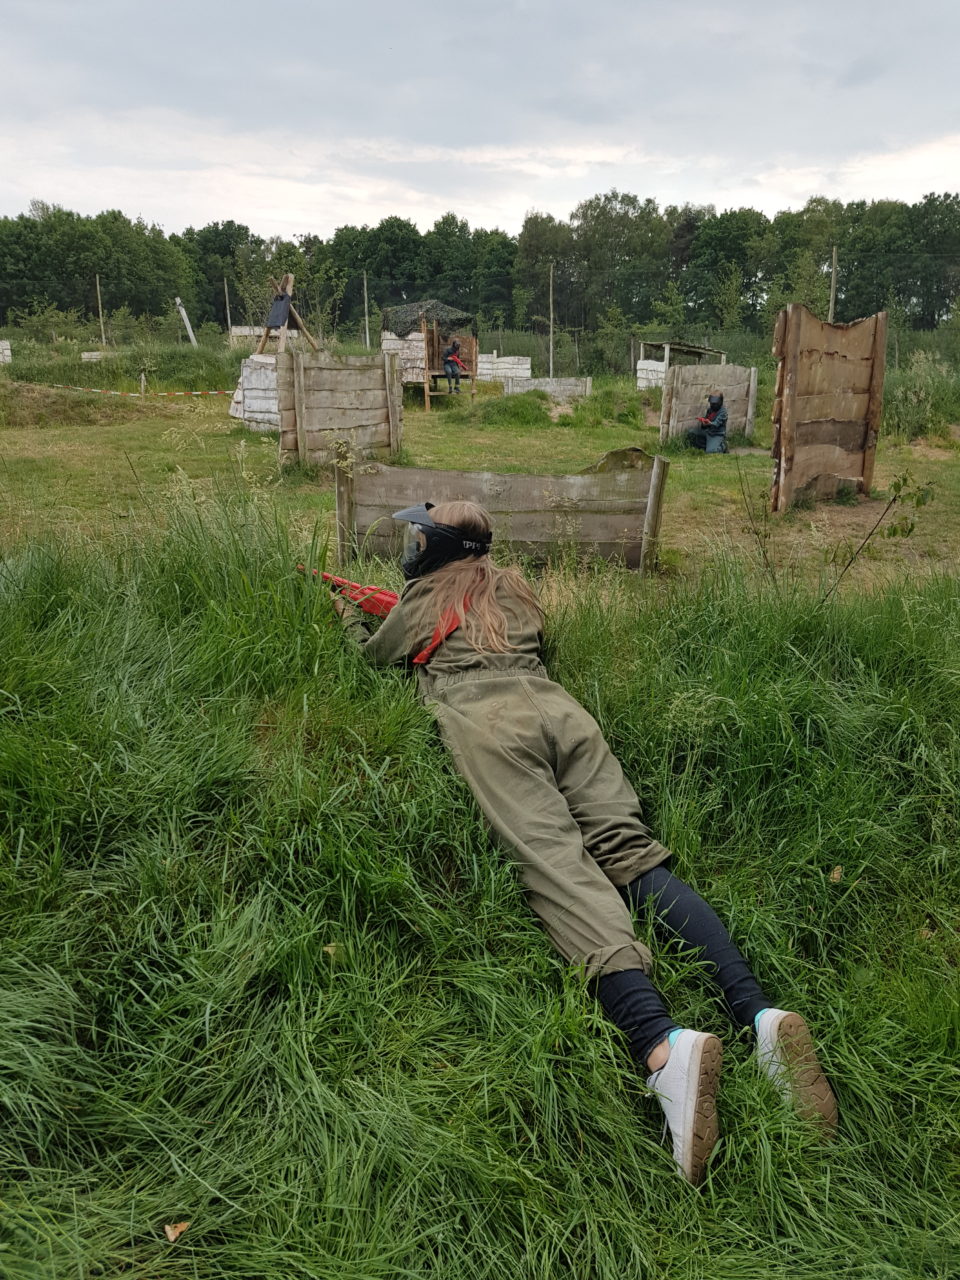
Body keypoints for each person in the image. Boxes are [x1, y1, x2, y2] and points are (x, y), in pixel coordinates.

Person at [332, 501, 837, 1184]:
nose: (412, 543)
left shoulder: (422, 598)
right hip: (562, 712)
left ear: (437, 547)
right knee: (632, 853)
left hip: (490, 721)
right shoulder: (512, 586)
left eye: (420, 535)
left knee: (557, 867)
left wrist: (346, 614)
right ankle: (758, 1015)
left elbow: (376, 655)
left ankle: (661, 1045)